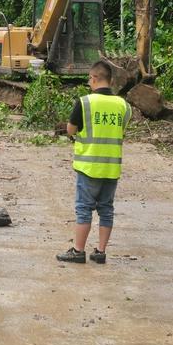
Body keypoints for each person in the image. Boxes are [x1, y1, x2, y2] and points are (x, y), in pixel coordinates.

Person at [56, 60, 131, 264]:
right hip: (111, 167)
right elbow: (120, 130)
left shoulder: (85, 102)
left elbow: (70, 130)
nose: (89, 82)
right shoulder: (124, 106)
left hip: (88, 166)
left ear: (95, 78)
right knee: (106, 209)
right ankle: (100, 251)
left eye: (89, 78)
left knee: (84, 208)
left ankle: (78, 251)